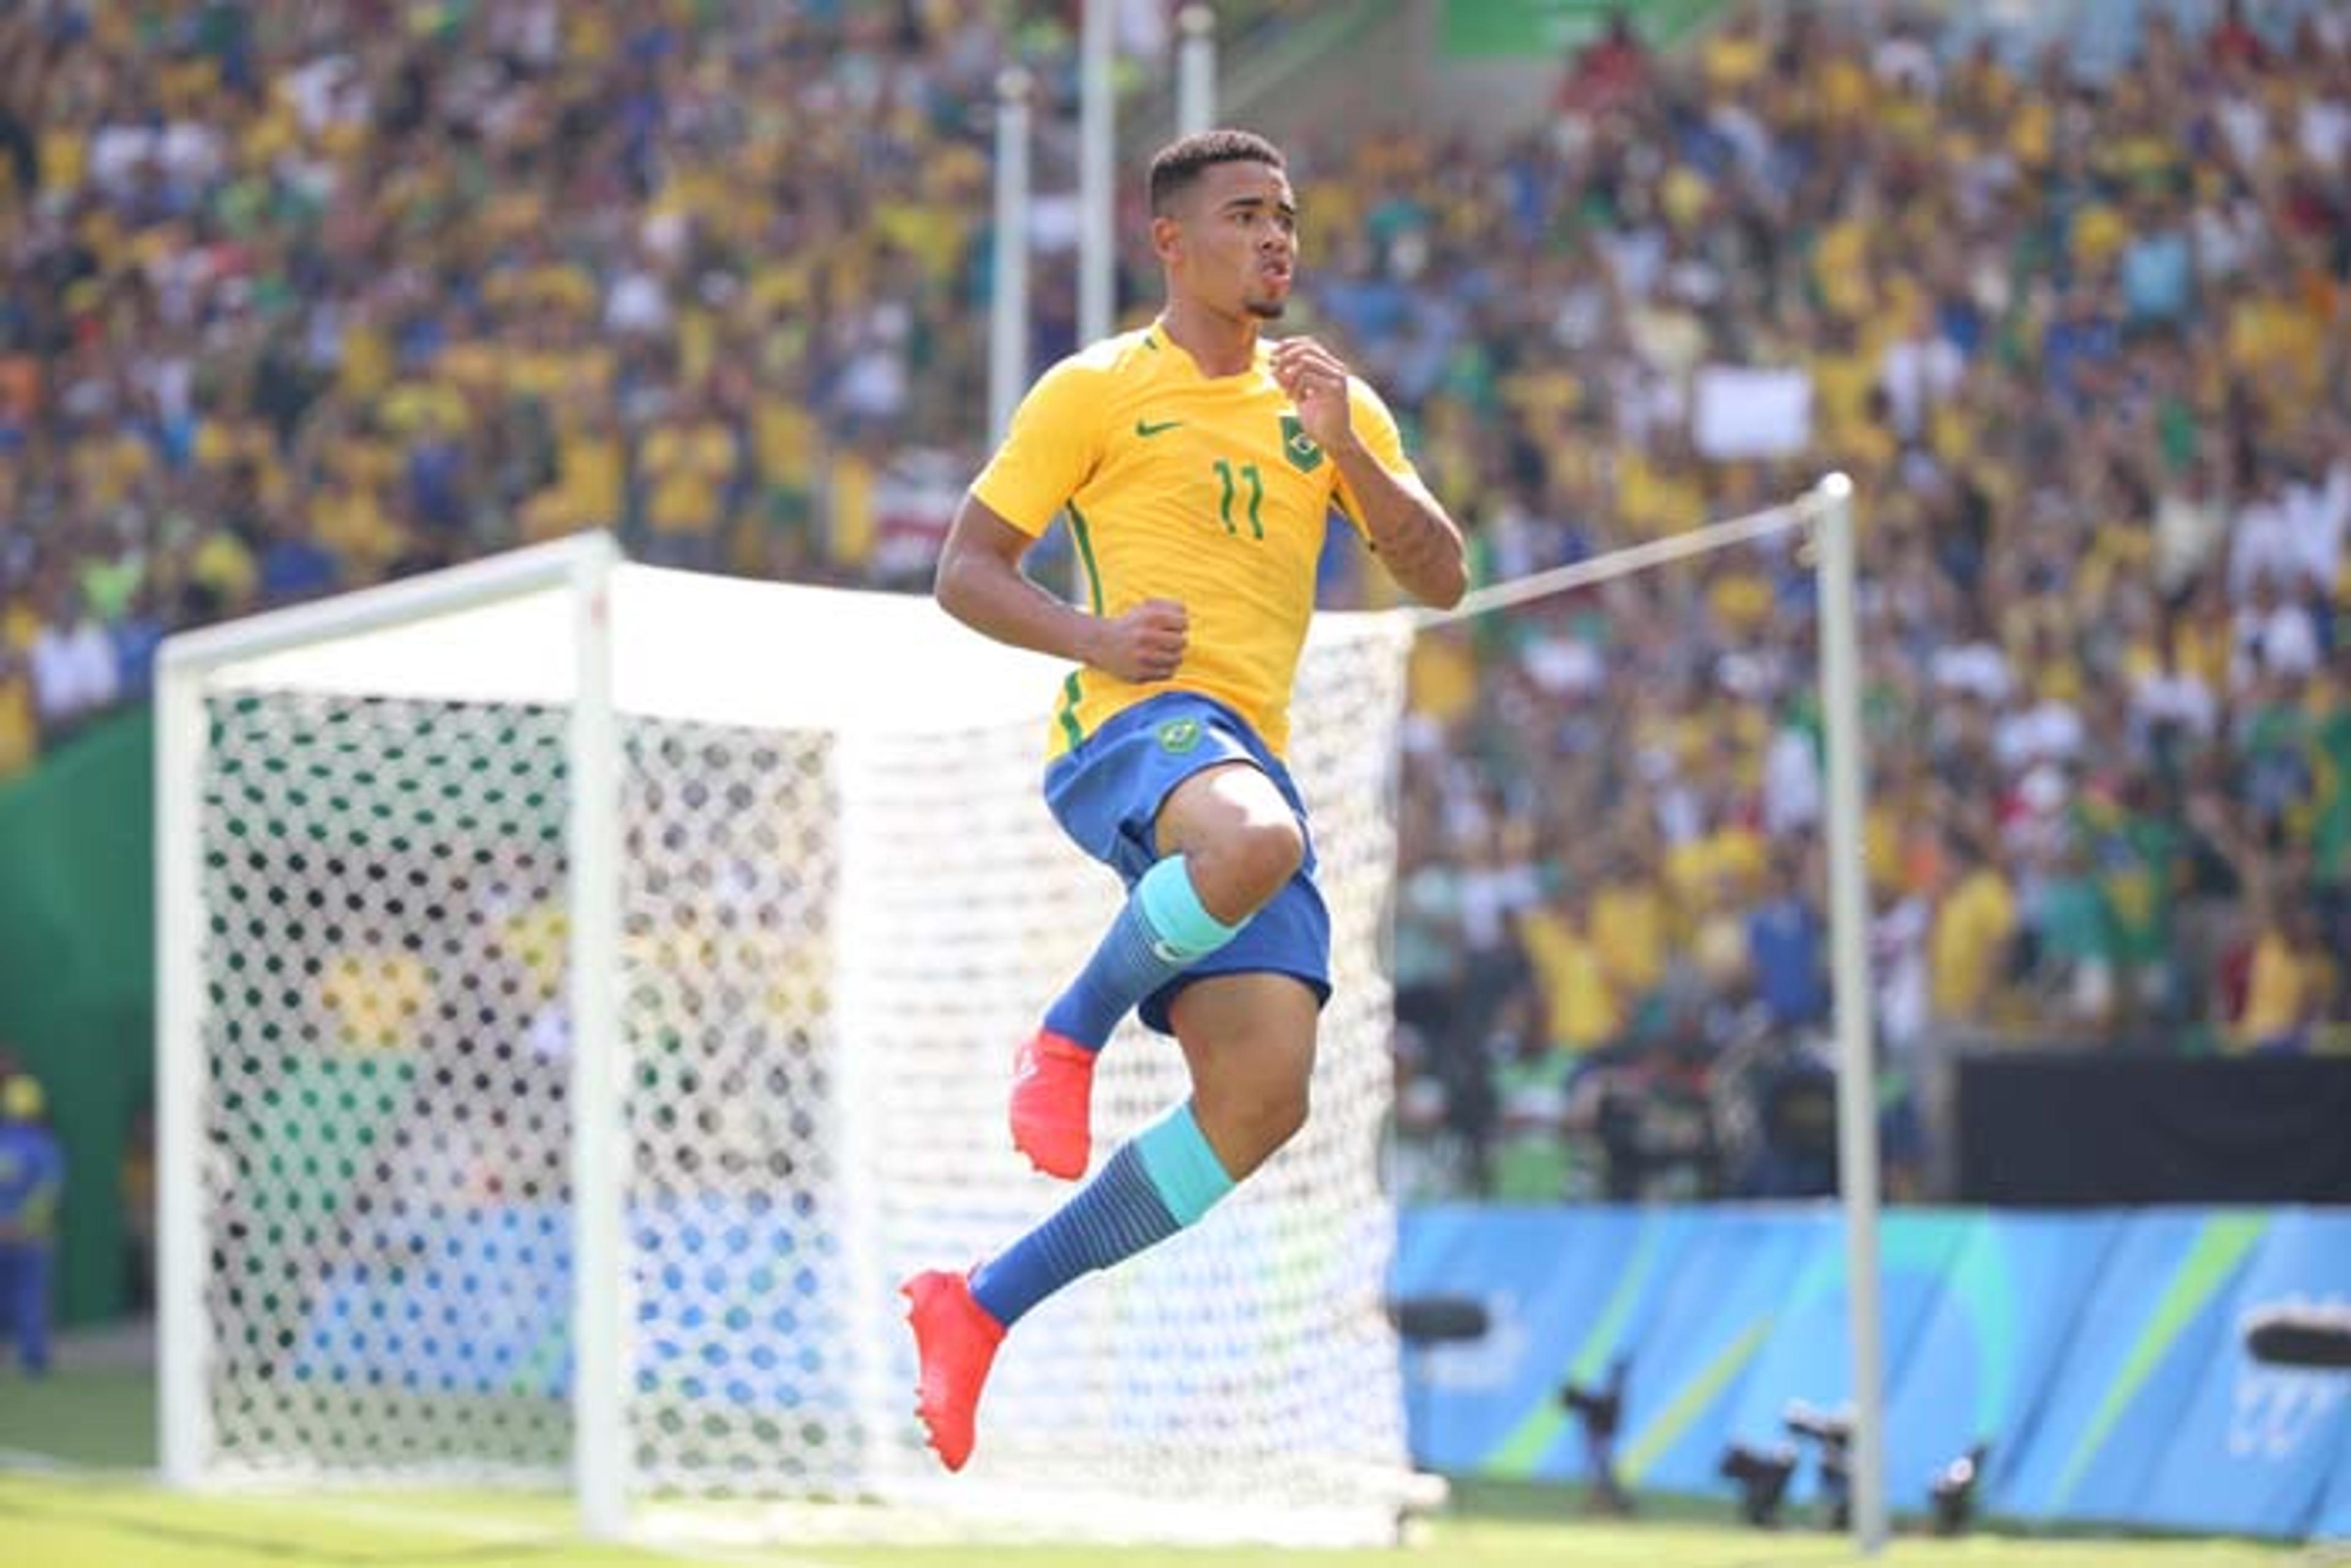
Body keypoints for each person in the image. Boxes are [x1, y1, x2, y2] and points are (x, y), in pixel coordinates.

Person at [902, 128, 1467, 1471]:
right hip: (1134, 728)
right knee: (1260, 835)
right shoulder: (1096, 390)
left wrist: (1352, 452)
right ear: (1172, 240)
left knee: (1263, 1099)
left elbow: (1440, 575)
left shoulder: (1335, 401)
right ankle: (1068, 1033)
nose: (1277, 237)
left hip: (1240, 754)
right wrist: (1090, 638)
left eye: (1287, 215)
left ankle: (979, 1303)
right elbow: (966, 570)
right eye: (1245, 215)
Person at [0, 1074, 64, 1377]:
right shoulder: (44, 1146)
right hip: (31, 1237)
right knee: (30, 1298)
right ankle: (33, 1365)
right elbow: (48, 1191)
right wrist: (22, 1223)